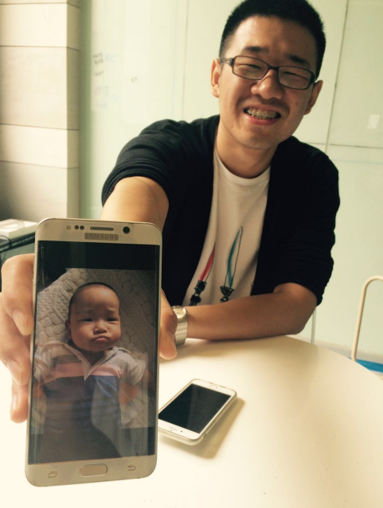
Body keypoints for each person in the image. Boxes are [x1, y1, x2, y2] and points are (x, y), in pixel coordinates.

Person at [0, 0, 339, 423]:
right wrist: (99, 262)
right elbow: (131, 223)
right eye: (251, 65)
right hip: (157, 369)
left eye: (292, 74)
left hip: (255, 365)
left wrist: (176, 321)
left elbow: (294, 304)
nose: (268, 88)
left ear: (312, 97)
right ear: (217, 76)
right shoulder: (167, 147)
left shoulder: (313, 177)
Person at [30, 282, 149, 462]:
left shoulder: (122, 360)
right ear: (69, 329)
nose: (101, 327)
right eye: (88, 319)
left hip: (107, 440)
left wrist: (140, 389)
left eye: (111, 319)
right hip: (58, 439)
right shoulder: (54, 352)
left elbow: (147, 380)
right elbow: (31, 378)